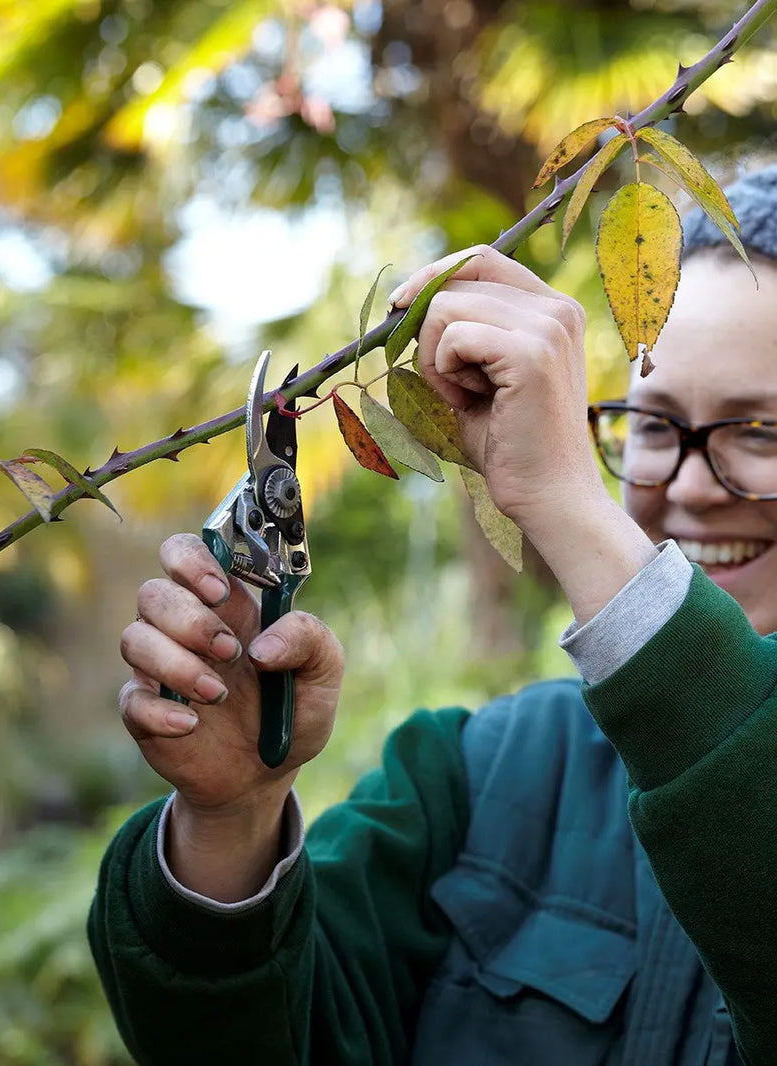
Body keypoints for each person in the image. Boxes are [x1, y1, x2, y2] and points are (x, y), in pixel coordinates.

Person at [89, 166, 777, 1066]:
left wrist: (568, 505)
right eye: (653, 426)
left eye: (760, 432)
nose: (685, 484)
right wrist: (230, 823)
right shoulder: (482, 773)